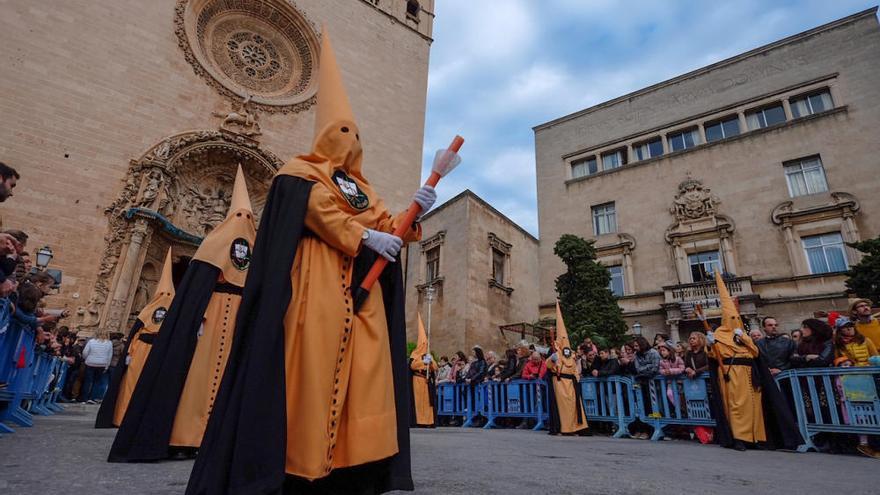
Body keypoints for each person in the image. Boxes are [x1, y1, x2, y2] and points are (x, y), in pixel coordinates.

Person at [185, 31, 434, 494]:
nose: (350, 140)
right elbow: (322, 214)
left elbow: (388, 223)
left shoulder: (365, 188)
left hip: (361, 299)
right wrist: (366, 236)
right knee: (313, 374)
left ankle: (355, 463)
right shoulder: (300, 173)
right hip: (316, 284)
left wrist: (416, 210)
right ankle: (301, 461)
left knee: (368, 375)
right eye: (342, 132)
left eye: (355, 133)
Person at [109, 166, 256, 462]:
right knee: (193, 382)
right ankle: (184, 436)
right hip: (210, 322)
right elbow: (195, 293)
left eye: (249, 218)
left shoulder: (256, 249)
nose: (245, 222)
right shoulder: (213, 246)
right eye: (240, 216)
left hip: (235, 324)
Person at [707, 271, 801, 451]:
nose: (734, 320)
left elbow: (755, 352)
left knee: (754, 405)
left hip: (750, 374)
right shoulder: (719, 335)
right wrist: (710, 345)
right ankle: (738, 438)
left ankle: (756, 437)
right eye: (731, 317)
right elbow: (713, 355)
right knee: (736, 406)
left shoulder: (743, 334)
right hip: (730, 373)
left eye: (736, 317)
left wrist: (745, 339)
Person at [96, 249, 175, 428]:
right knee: (132, 385)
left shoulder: (149, 311)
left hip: (147, 350)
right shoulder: (153, 310)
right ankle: (124, 416)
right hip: (141, 351)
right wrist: (131, 350)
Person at [545, 303, 587, 435]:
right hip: (559, 383)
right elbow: (548, 366)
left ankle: (575, 427)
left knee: (573, 405)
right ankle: (564, 427)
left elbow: (574, 368)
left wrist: (577, 377)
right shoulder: (556, 353)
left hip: (571, 383)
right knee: (563, 406)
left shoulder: (572, 354)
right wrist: (552, 359)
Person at [409, 314, 437, 428]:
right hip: (417, 380)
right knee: (418, 402)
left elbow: (435, 367)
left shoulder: (428, 355)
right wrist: (424, 363)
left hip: (426, 382)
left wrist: (430, 362)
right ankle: (419, 420)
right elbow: (413, 366)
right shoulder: (415, 355)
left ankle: (428, 421)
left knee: (427, 403)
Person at [81, 330, 113, 404]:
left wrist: (86, 359)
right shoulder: (109, 343)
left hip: (90, 362)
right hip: (102, 364)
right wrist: (107, 366)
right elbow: (109, 355)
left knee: (88, 381)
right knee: (97, 381)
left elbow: (85, 352)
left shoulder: (91, 341)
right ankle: (92, 398)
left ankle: (84, 398)